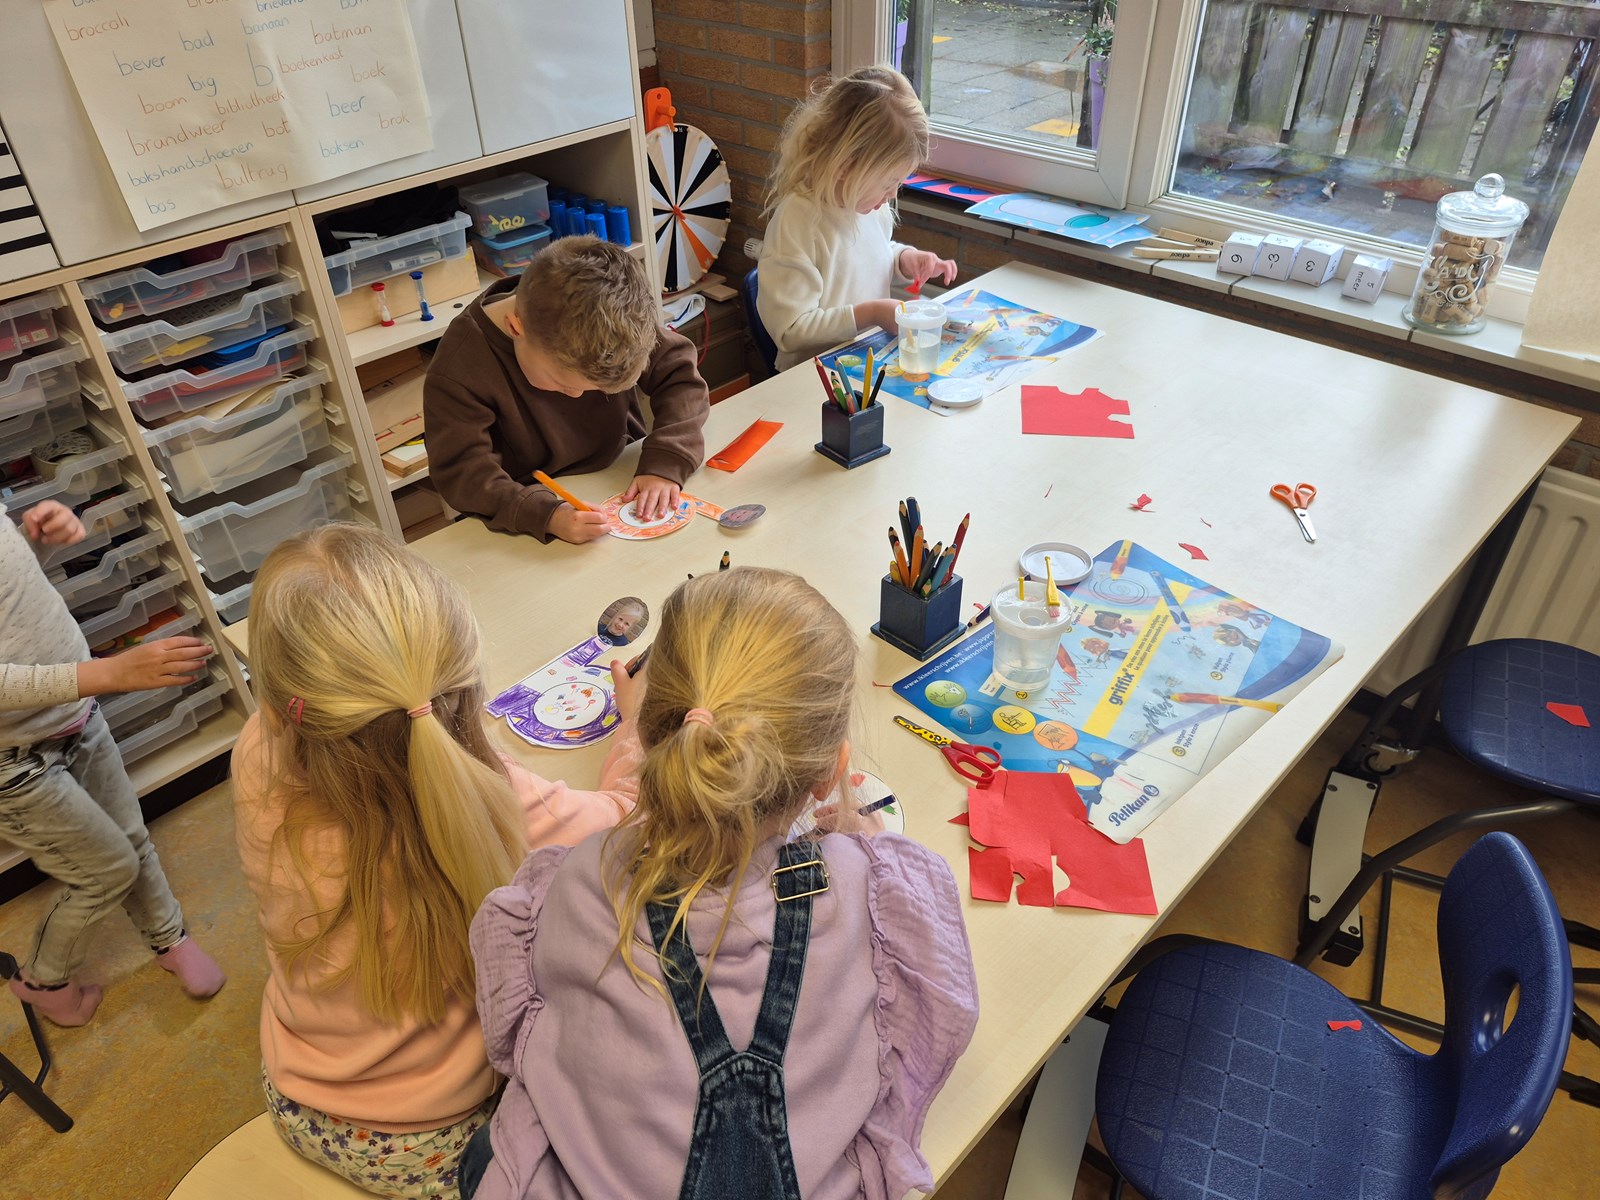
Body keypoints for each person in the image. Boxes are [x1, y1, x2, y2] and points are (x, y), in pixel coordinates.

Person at [462, 567, 979, 1200]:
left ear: (652, 737)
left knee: (492, 1150)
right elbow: (939, 1029)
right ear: (831, 773)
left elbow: (511, 1042)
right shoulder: (879, 894)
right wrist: (858, 851)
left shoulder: (571, 883)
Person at [232, 523, 642, 1198]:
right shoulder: (498, 799)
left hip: (295, 1089)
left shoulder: (259, 750)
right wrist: (634, 735)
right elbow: (626, 818)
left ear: (284, 706)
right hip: (436, 1141)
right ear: (462, 685)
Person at [1, 500, 222, 1027]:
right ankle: (45, 981)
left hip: (75, 716)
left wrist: (36, 543)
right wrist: (107, 674)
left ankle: (170, 940)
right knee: (104, 873)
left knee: (132, 837)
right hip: (15, 763)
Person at [425, 235, 710, 545]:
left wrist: (667, 460)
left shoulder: (609, 313)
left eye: (597, 390)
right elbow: (464, 474)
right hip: (530, 510)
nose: (578, 396)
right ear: (515, 328)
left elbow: (678, 375)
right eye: (564, 385)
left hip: (620, 470)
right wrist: (546, 515)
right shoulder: (458, 366)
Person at [757, 66, 958, 372]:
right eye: (887, 182)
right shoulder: (797, 221)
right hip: (815, 379)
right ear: (846, 166)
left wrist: (904, 260)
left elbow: (868, 257)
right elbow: (790, 330)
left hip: (866, 365)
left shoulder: (869, 207)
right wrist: (871, 314)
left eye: (898, 183)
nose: (892, 195)